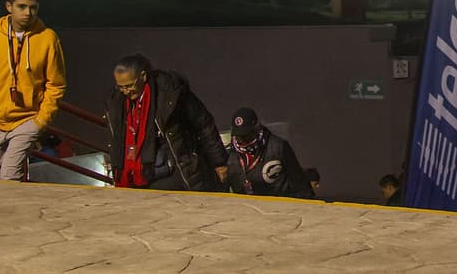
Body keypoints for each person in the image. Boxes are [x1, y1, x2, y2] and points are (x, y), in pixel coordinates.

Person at [0, 0, 67, 181]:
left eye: (33, 7)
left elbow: (56, 84)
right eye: (22, 7)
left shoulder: (48, 38)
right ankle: (2, 213)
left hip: (27, 120)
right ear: (9, 6)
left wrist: (40, 121)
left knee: (10, 176)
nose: (28, 13)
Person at [103, 53, 228, 191]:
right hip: (140, 178)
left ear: (143, 76)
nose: (125, 92)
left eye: (129, 86)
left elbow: (204, 123)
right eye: (120, 87)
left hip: (178, 172)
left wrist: (219, 162)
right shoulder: (116, 103)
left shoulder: (171, 93)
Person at [224, 107, 315, 199]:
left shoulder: (278, 147)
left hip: (279, 207)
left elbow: (299, 183)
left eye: (246, 136)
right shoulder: (228, 154)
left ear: (256, 128)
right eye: (239, 136)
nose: (242, 141)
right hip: (245, 208)